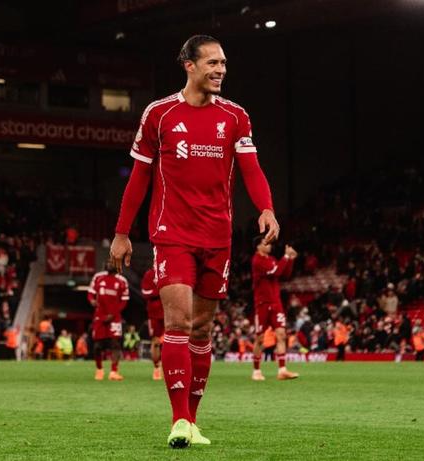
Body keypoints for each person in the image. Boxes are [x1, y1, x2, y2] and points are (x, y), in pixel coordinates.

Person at [109, 34, 279, 448]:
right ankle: (178, 419)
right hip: (172, 235)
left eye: (224, 63)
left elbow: (251, 168)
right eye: (212, 63)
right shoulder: (160, 114)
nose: (221, 70)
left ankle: (193, 421)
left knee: (202, 329)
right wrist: (122, 232)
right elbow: (139, 177)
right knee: (179, 323)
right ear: (189, 65)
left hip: (217, 237)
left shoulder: (235, 116)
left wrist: (267, 208)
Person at [250, 237, 299, 380]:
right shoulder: (257, 261)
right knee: (260, 338)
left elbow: (284, 274)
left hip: (276, 302)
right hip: (262, 303)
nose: (269, 245)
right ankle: (256, 371)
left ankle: (282, 370)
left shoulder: (271, 259)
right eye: (266, 243)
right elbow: (276, 272)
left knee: (281, 334)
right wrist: (285, 257)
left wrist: (291, 260)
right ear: (258, 246)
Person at [88, 263, 129, 381]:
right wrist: (92, 300)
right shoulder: (98, 277)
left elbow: (124, 300)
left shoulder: (122, 281)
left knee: (115, 344)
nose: (110, 263)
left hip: (114, 318)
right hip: (99, 316)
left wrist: (114, 314)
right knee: (97, 345)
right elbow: (90, 293)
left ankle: (114, 371)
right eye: (108, 261)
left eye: (112, 261)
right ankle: (99, 369)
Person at [141, 267, 164, 380]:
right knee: (155, 341)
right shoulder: (149, 274)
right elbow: (145, 292)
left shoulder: (170, 270)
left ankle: (168, 368)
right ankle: (156, 368)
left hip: (170, 312)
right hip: (154, 314)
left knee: (171, 341)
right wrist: (160, 291)